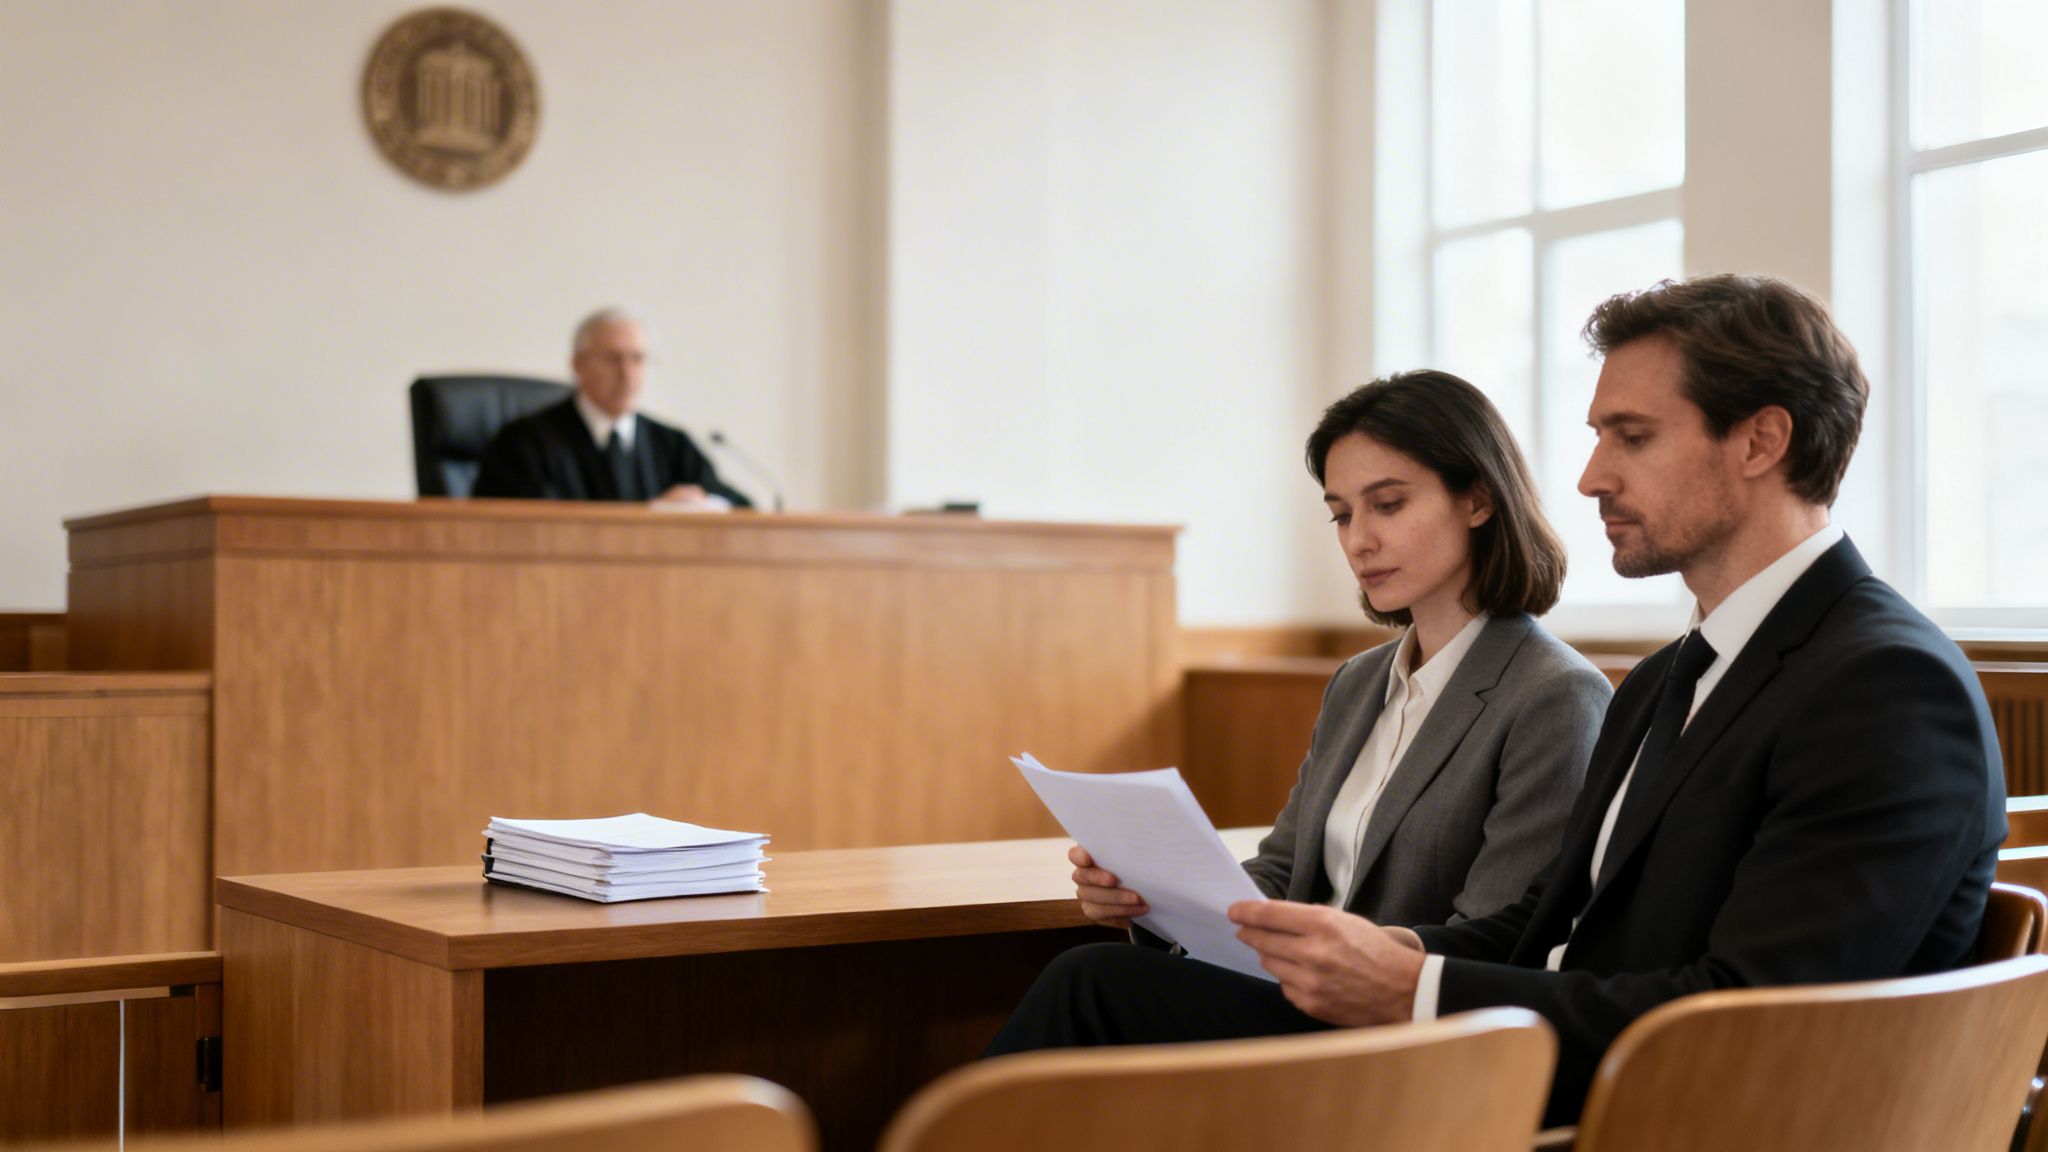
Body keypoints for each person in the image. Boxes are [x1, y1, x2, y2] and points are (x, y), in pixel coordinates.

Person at [1218, 274, 2005, 1126]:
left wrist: (1415, 990)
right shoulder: (1668, 676)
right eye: (1598, 438)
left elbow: (1758, 1021)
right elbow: (1548, 923)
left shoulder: (1886, 686)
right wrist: (1388, 951)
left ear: (1760, 441)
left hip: (1662, 1118)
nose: (1591, 478)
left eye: (1632, 437)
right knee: (1120, 988)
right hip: (1567, 1079)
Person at [986, 370, 1613, 1054]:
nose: (1358, 540)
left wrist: (1335, 955)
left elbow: (1506, 938)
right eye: (1342, 514)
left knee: (1091, 981)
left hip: (1401, 1033)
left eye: (1388, 504)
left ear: (1479, 500)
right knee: (1098, 978)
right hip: (1294, 997)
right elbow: (1283, 872)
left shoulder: (1555, 694)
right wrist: (1153, 901)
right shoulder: (1359, 682)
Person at [472, 308, 752, 507]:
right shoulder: (524, 443)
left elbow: (741, 508)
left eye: (637, 359)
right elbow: (519, 527)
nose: (627, 374)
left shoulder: (671, 443)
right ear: (578, 365)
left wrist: (705, 502)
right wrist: (649, 518)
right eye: (613, 359)